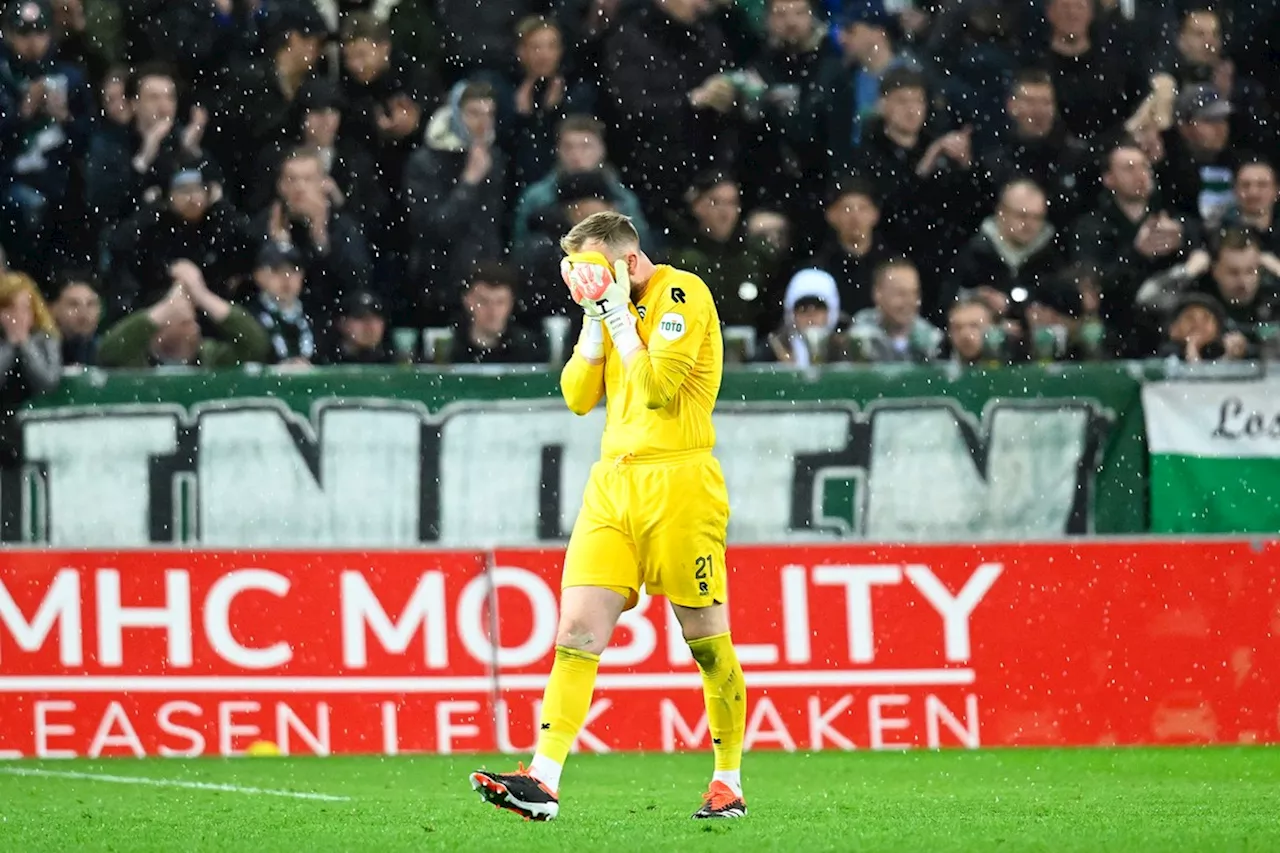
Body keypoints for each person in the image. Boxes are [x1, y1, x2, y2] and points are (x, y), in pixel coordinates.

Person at [469, 211, 747, 821]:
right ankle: (542, 779)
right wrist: (595, 326)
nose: (581, 279)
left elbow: (656, 389)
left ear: (625, 260)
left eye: (590, 268)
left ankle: (728, 781)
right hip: (612, 483)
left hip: (680, 482)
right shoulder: (606, 309)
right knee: (575, 634)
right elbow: (575, 398)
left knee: (706, 642)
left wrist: (617, 314)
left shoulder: (682, 292)